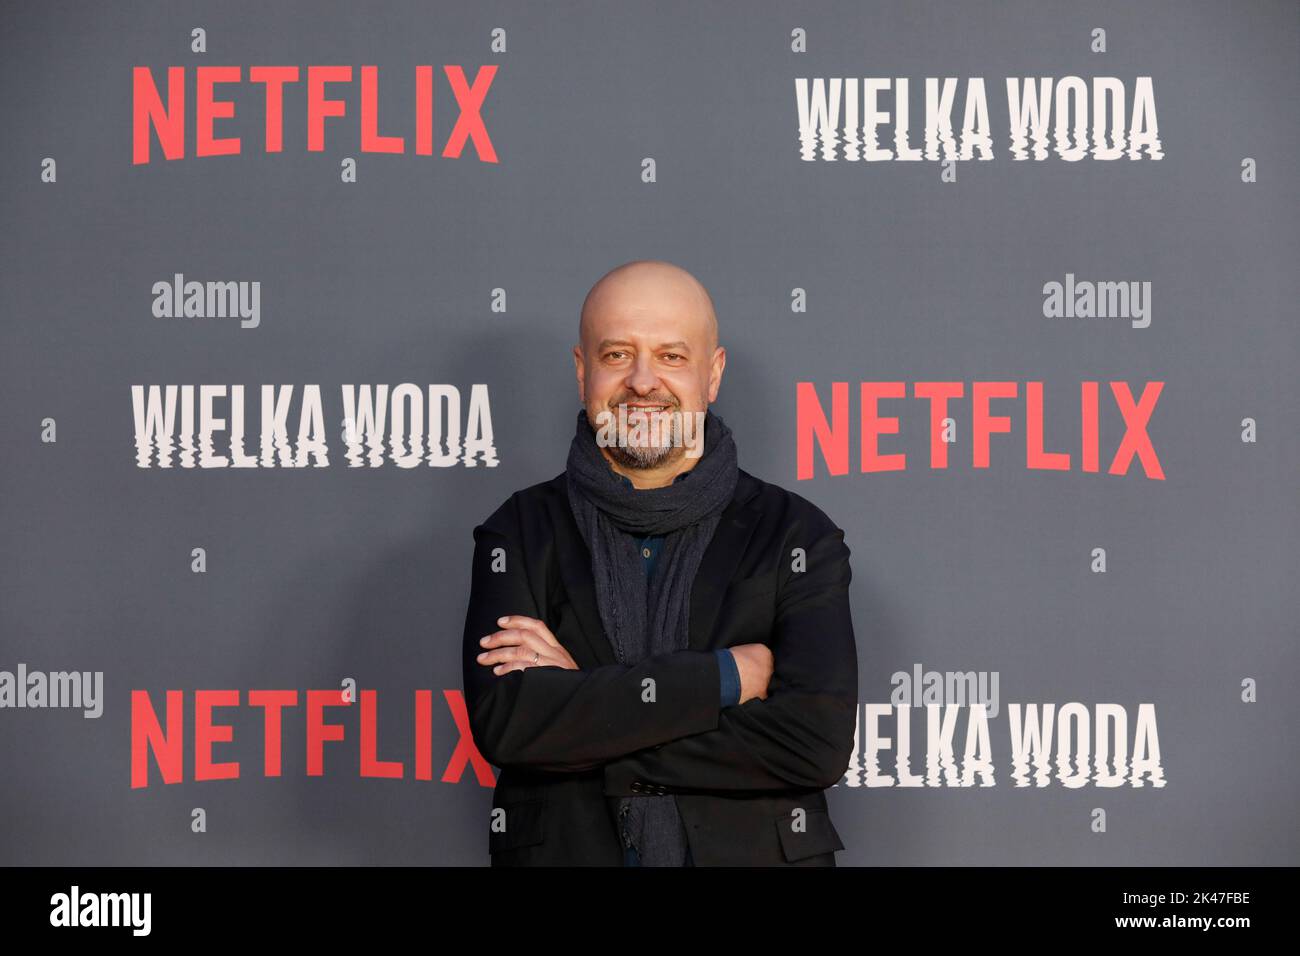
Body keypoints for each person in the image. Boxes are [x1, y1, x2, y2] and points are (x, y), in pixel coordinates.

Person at [461, 259, 858, 865]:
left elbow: (814, 744)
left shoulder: (797, 535)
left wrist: (582, 704)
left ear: (713, 373)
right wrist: (722, 678)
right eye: (618, 354)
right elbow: (511, 725)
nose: (643, 381)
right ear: (581, 370)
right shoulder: (517, 530)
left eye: (672, 356)